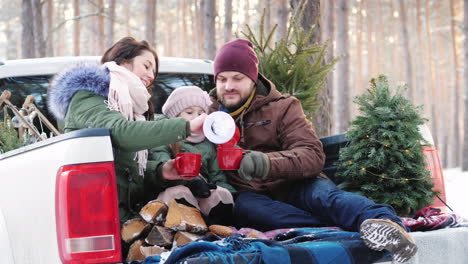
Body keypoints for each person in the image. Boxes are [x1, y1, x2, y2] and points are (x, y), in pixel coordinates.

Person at [208, 38, 417, 263]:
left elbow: (312, 155)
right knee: (248, 210)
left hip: (296, 184)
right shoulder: (206, 116)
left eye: (237, 78)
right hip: (253, 196)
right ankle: (338, 229)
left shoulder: (283, 107)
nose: (228, 85)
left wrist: (264, 163)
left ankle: (386, 226)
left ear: (253, 79)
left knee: (325, 197)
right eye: (222, 79)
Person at [47, 37, 207, 225]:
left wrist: (160, 171)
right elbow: (122, 133)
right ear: (123, 61)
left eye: (154, 71)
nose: (151, 75)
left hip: (128, 217)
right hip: (99, 219)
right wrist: (186, 126)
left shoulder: (133, 109)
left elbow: (126, 174)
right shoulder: (88, 97)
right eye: (146, 66)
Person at [149, 86, 236, 225]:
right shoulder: (165, 139)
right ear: (175, 117)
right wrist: (190, 182)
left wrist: (224, 189)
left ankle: (217, 227)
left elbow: (217, 174)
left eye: (201, 113)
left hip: (202, 196)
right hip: (169, 191)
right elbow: (161, 162)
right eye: (189, 112)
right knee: (179, 192)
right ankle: (182, 228)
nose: (197, 117)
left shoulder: (208, 142)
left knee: (221, 193)